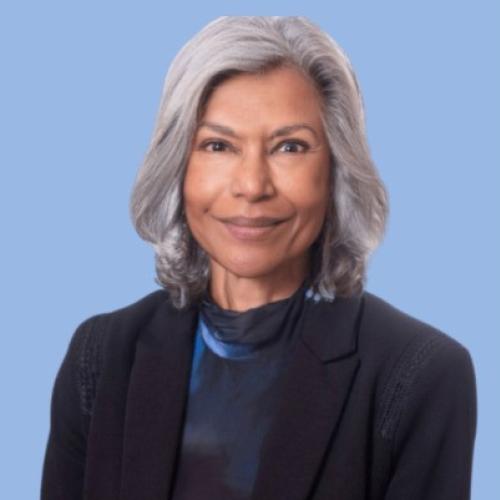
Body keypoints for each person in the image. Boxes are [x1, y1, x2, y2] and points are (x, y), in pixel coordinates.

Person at [41, 16, 477, 500]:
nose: (252, 185)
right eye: (218, 145)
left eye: (289, 147)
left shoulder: (419, 375)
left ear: (336, 169)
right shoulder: (100, 357)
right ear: (178, 166)